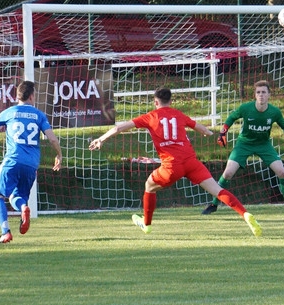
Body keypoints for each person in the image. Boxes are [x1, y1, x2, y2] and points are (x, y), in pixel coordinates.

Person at [89, 87, 262, 237]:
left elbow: (119, 127)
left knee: (149, 186)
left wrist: (101, 139)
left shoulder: (151, 116)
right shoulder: (178, 115)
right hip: (191, 162)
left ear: (156, 102)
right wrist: (209, 134)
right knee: (218, 190)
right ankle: (245, 214)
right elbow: (201, 128)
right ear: (170, 101)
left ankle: (147, 225)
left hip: (171, 166)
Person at [201, 80, 284, 215]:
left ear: (269, 95)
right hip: (244, 144)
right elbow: (231, 118)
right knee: (227, 173)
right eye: (258, 92)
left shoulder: (274, 112)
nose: (261, 95)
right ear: (255, 95)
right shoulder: (246, 108)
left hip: (264, 145)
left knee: (282, 173)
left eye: (263, 92)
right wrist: (222, 133)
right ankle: (213, 204)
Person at [0, 80, 63, 244]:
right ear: (32, 96)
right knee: (17, 196)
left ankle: (5, 232)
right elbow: (52, 139)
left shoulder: (10, 112)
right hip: (32, 165)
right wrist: (59, 155)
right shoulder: (39, 115)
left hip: (13, 160)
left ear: (18, 96)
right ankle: (23, 208)